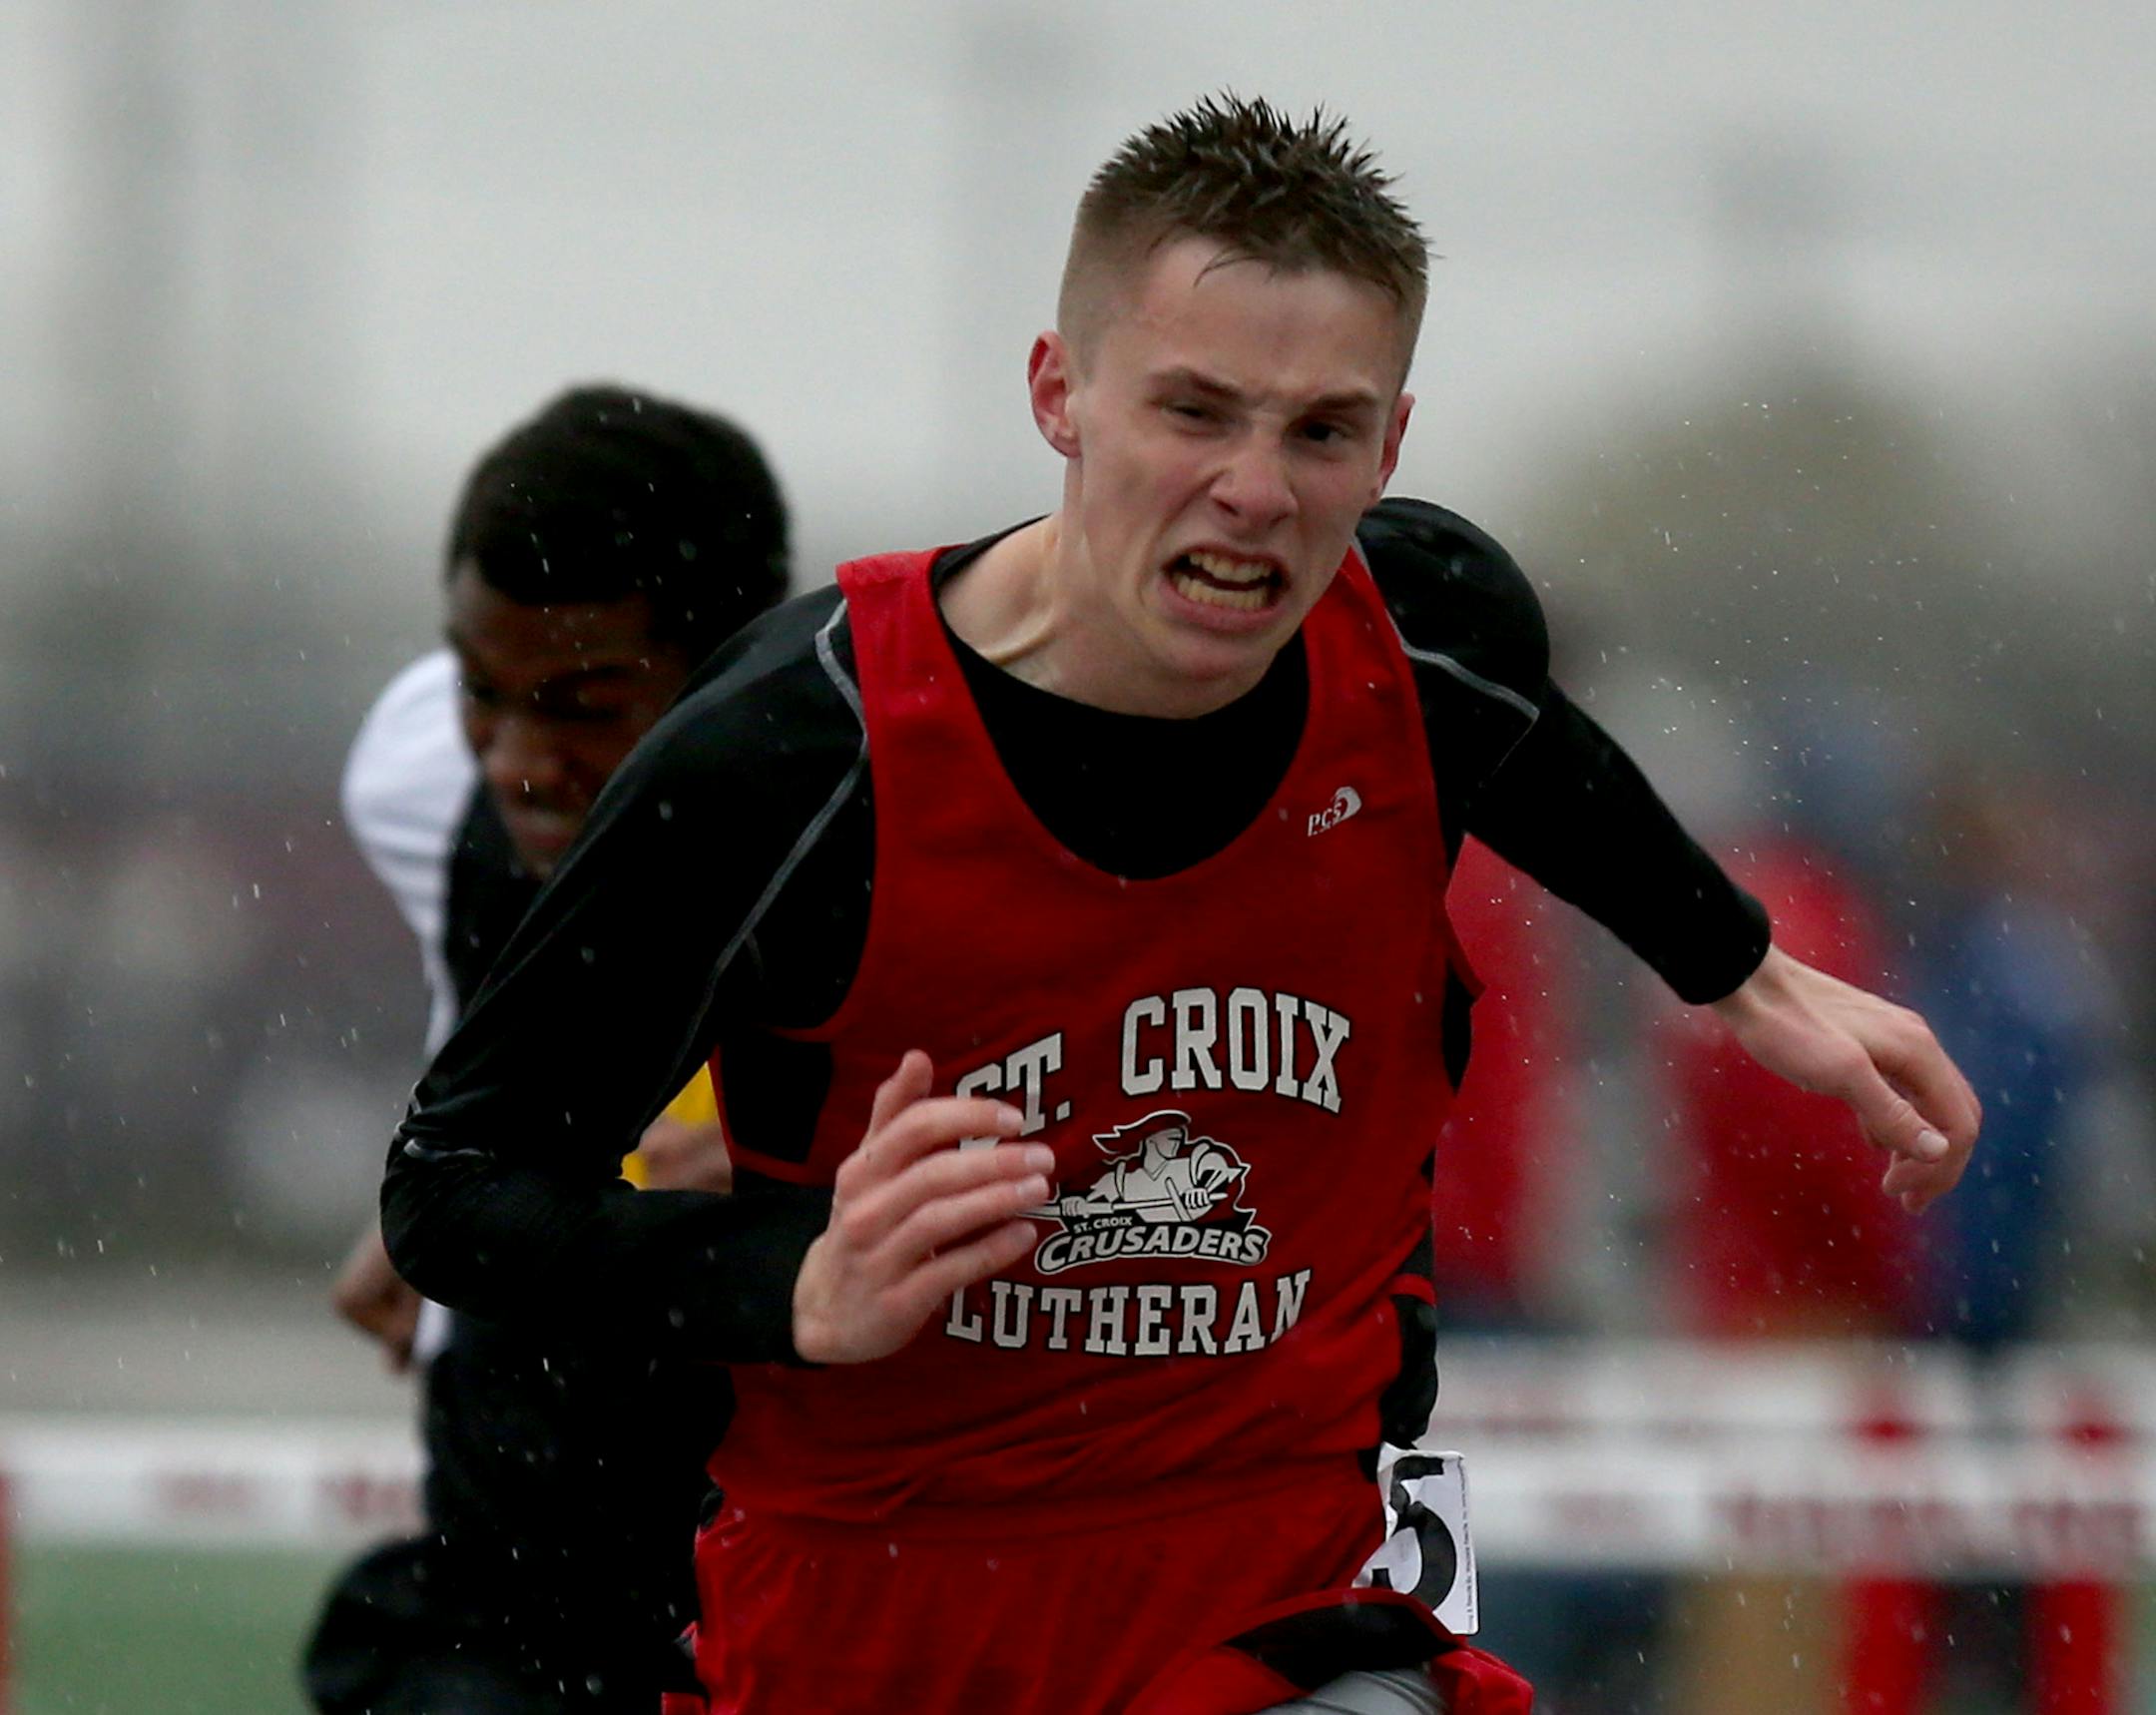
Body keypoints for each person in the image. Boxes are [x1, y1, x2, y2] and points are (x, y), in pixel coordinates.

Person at [381, 99, 1980, 1715]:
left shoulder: (1421, 643)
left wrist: (1746, 971)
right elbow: (456, 1186)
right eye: (1195, 412)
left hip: (1281, 1578)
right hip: (883, 1607)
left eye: (1320, 432)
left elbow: (1528, 747)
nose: (1254, 491)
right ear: (1059, 394)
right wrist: (789, 1278)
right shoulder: (799, 755)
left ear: (1394, 445)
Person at [303, 384, 791, 1714]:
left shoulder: (884, 845)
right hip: (514, 1589)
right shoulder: (413, 781)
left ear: (741, 677)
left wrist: (809, 1189)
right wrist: (448, 1168)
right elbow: (479, 1005)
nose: (518, 758)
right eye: (485, 693)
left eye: (582, 705)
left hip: (793, 1580)